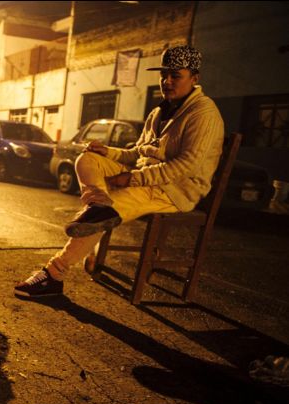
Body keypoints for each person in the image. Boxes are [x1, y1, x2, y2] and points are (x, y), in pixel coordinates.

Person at [14, 45, 225, 298]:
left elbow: (185, 165)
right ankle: (98, 208)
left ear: (194, 78)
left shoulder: (203, 113)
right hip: (145, 178)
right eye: (163, 75)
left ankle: (54, 274)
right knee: (88, 160)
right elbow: (137, 153)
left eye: (175, 76)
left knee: (104, 210)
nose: (167, 81)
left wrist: (132, 178)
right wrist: (108, 152)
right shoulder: (160, 112)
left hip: (173, 190)